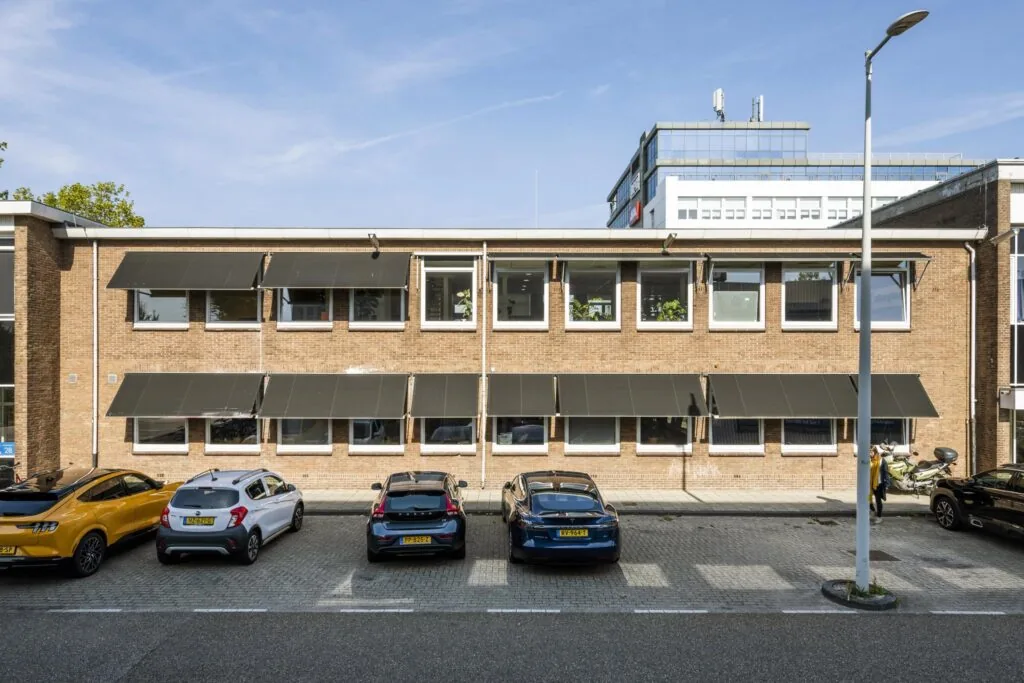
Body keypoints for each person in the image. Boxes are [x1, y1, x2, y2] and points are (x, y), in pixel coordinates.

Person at [869, 447, 890, 522]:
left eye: (871, 452)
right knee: (868, 499)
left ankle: (879, 517)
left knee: (878, 501)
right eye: (868, 452)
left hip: (879, 484)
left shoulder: (881, 461)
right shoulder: (870, 460)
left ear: (875, 452)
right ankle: (872, 510)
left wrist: (887, 484)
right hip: (870, 484)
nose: (869, 454)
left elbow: (886, 472)